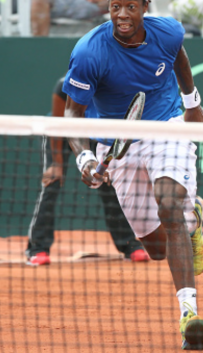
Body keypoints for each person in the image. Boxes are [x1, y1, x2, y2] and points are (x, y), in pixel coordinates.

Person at [63, 0, 203, 350]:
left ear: (146, 8)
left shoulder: (168, 31)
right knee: (157, 246)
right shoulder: (89, 52)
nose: (123, 15)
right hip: (115, 141)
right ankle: (192, 221)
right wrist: (85, 158)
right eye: (116, 7)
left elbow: (177, 55)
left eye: (131, 6)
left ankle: (188, 313)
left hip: (164, 125)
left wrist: (192, 103)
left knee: (169, 205)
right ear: (108, 9)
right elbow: (71, 114)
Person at [26, 77, 150, 266]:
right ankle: (37, 248)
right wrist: (57, 164)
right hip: (60, 134)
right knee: (51, 183)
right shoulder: (63, 86)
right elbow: (58, 125)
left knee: (110, 186)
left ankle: (130, 245)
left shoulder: (115, 85)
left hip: (96, 136)